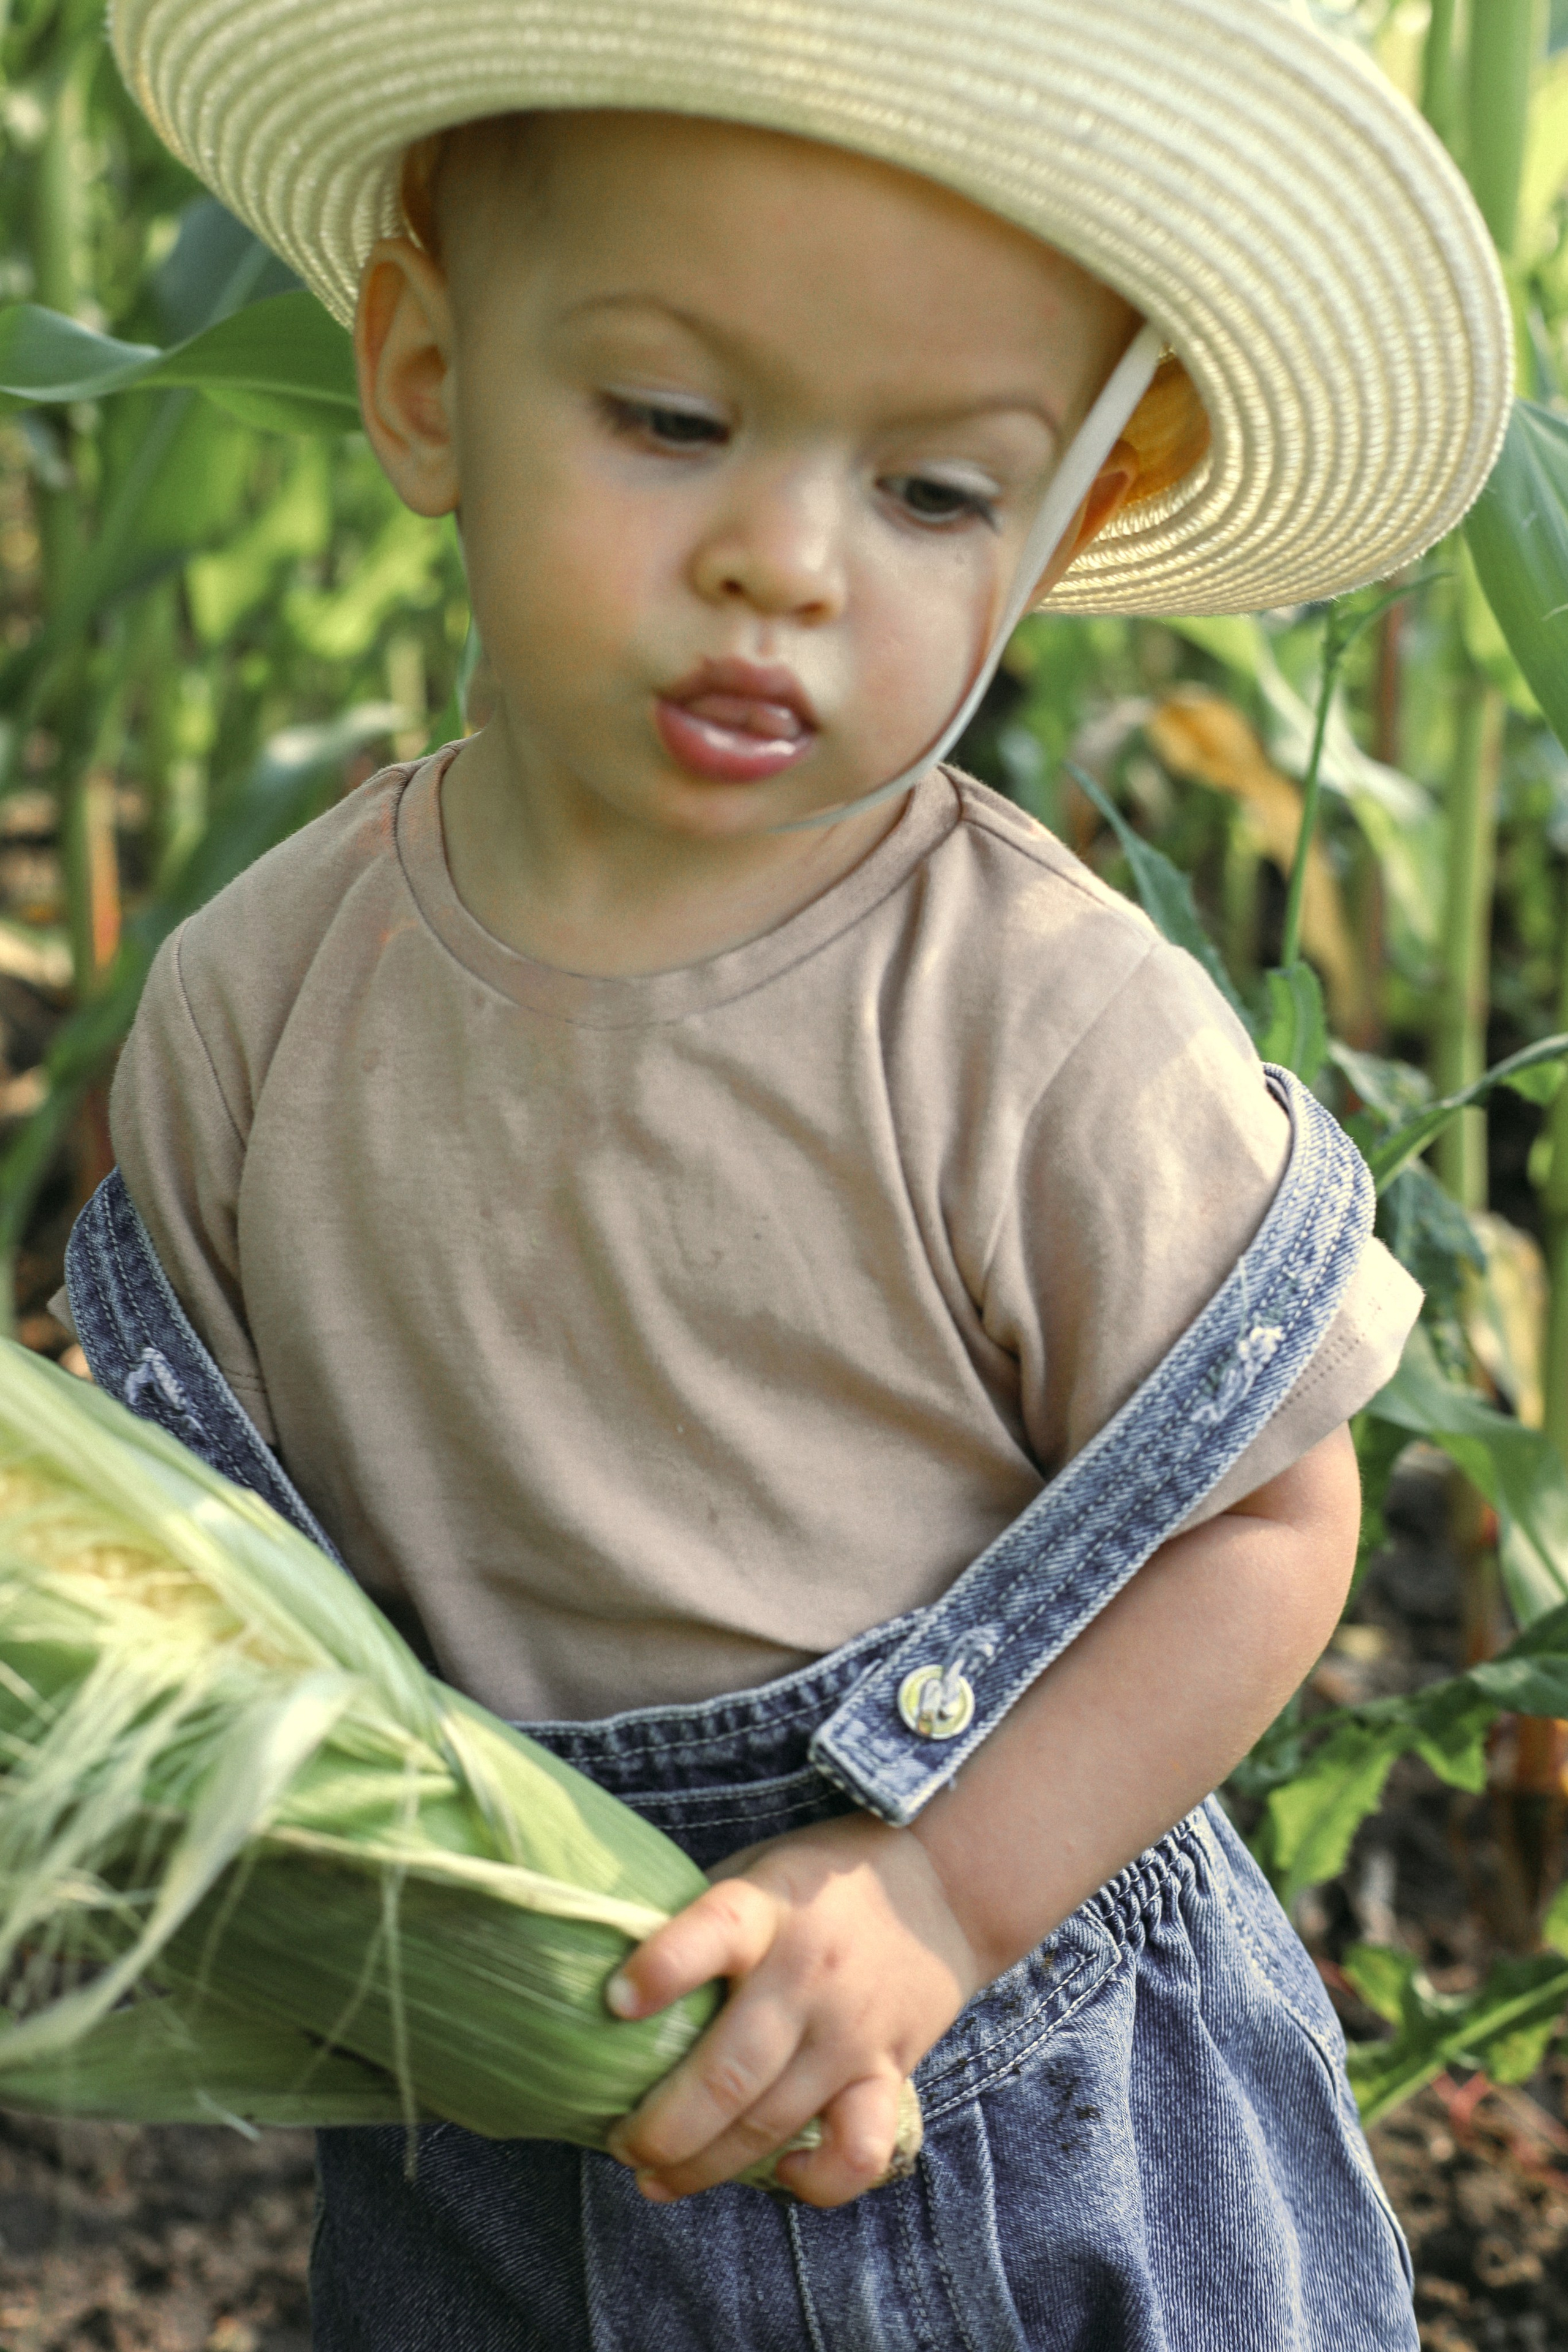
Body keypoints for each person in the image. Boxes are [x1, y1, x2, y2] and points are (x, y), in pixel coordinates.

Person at [70, 1, 1509, 2343]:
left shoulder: (1039, 1024)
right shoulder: (253, 998)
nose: (785, 562)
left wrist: (941, 1897)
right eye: (669, 420)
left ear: (1059, 537)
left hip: (999, 2118)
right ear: (426, 374)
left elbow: (1276, 1511)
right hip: (489, 2113)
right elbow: (174, 1503)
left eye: (937, 493)